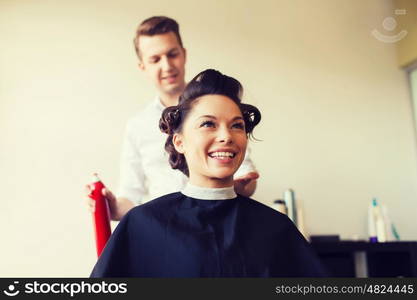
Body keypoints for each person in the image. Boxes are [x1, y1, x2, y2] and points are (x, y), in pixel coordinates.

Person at [90, 69, 326, 277]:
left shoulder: (275, 228)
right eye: (208, 124)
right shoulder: (142, 225)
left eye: (237, 125)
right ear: (179, 141)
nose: (226, 136)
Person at [86, 16, 258, 220]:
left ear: (184, 55)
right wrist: (112, 208)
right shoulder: (137, 126)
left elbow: (246, 176)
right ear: (143, 66)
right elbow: (130, 195)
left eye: (172, 54)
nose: (167, 66)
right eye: (155, 59)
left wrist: (232, 185)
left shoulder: (219, 107)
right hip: (165, 231)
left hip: (220, 221)